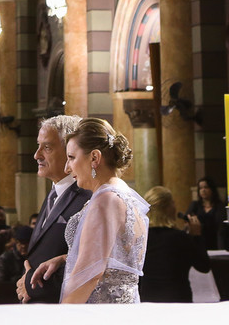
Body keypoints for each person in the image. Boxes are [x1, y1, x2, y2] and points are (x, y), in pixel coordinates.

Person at [30, 118, 148, 303]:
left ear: (94, 157)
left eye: (71, 158)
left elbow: (88, 276)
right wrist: (65, 259)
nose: (67, 168)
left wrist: (64, 316)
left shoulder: (105, 200)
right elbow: (112, 259)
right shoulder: (123, 193)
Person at [17, 114, 91, 304]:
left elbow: (89, 264)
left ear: (69, 151)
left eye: (47, 147)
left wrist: (30, 284)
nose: (37, 155)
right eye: (38, 146)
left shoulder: (87, 196)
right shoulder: (54, 193)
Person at [139, 186, 210, 302]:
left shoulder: (140, 238)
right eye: (173, 203)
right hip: (177, 299)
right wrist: (197, 236)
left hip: (148, 299)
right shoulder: (180, 238)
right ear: (167, 208)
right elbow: (203, 266)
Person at [184, 176, 226, 252]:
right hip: (199, 239)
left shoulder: (220, 206)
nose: (203, 190)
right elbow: (187, 218)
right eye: (200, 188)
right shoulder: (195, 205)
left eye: (206, 187)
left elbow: (221, 227)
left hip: (215, 240)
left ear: (212, 189)